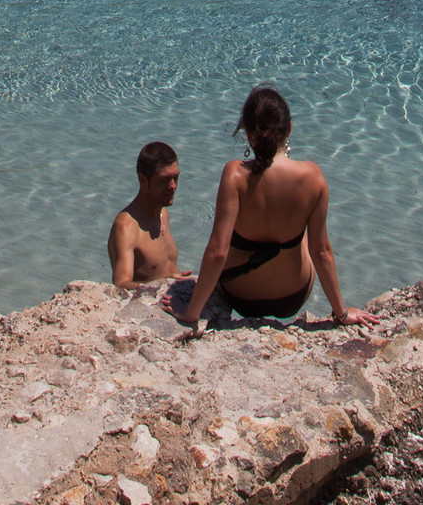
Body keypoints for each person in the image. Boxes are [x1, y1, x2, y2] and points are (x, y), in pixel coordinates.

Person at [162, 86, 379, 331]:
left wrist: (191, 314)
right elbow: (321, 252)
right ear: (289, 128)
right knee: (303, 230)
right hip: (292, 297)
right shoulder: (313, 177)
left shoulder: (234, 175)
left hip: (239, 296)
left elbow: (217, 252)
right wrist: (341, 313)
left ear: (247, 132)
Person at [108, 141, 181, 285]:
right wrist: (161, 287)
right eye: (164, 180)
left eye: (176, 178)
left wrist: (177, 278)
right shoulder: (126, 226)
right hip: (144, 305)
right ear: (143, 180)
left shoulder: (163, 213)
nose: (173, 186)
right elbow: (121, 284)